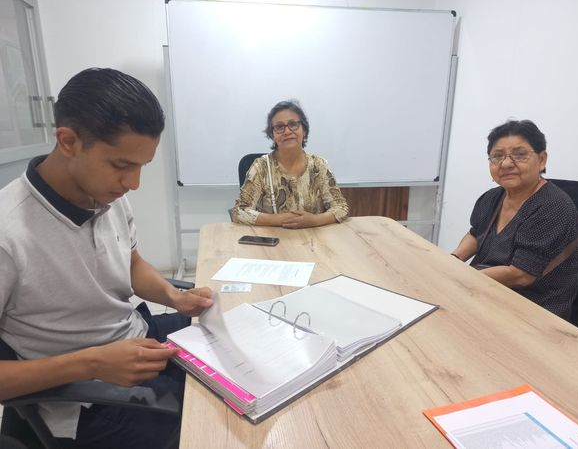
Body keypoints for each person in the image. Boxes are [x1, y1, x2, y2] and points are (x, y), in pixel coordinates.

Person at [0, 68, 213, 448]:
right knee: (218, 427)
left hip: (136, 338)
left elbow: (131, 264)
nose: (134, 184)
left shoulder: (107, 194)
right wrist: (94, 362)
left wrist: (173, 296)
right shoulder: (8, 231)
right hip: (88, 397)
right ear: (68, 141)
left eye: (142, 166)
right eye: (122, 165)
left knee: (229, 346)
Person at [451, 120, 578, 319]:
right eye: (497, 156)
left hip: (533, 311)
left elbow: (521, 275)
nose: (505, 164)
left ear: (542, 160)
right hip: (486, 291)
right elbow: (475, 234)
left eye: (520, 155)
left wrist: (461, 277)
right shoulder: (492, 197)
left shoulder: (554, 207)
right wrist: (453, 260)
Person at [231, 100, 349, 228]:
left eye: (293, 124)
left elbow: (341, 207)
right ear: (272, 135)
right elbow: (239, 211)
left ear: (304, 130)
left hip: (312, 237)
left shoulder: (318, 165)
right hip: (273, 237)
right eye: (279, 127)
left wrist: (315, 220)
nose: (287, 131)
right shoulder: (261, 167)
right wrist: (279, 220)